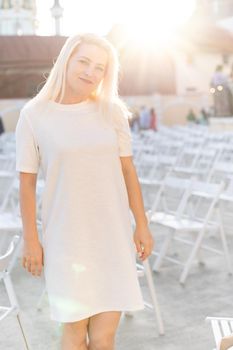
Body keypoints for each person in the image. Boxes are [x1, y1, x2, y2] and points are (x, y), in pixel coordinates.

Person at [15, 33, 154, 350]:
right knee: (75, 336)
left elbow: (128, 171)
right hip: (67, 240)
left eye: (100, 68)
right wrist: (31, 240)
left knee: (105, 338)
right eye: (84, 62)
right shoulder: (34, 115)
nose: (91, 72)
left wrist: (141, 224)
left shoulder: (112, 112)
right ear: (66, 60)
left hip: (113, 236)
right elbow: (26, 183)